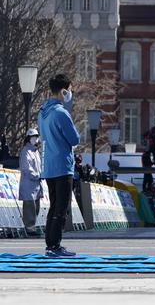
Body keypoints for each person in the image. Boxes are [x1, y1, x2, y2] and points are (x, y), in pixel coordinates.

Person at [37, 74, 80, 257]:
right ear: (63, 91)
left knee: (54, 206)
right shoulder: (61, 113)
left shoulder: (42, 112)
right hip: (63, 165)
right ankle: (55, 246)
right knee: (61, 208)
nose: (70, 93)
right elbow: (74, 139)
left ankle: (50, 244)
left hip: (48, 165)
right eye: (69, 90)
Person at [19, 129, 43, 236]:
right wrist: (37, 175)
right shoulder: (25, 151)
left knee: (36, 207)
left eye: (37, 136)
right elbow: (26, 168)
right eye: (33, 136)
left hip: (36, 184)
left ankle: (32, 227)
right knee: (29, 207)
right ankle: (29, 229)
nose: (36, 138)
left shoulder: (36, 151)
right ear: (28, 138)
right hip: (29, 184)